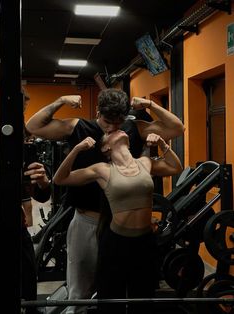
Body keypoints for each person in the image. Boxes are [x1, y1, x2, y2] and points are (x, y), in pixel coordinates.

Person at [26, 88, 185, 314]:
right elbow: (33, 127)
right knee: (80, 291)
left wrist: (150, 105)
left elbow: (177, 128)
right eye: (109, 122)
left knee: (124, 290)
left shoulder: (132, 129)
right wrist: (61, 100)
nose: (113, 128)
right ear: (98, 112)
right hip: (88, 220)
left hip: (121, 229)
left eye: (118, 122)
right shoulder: (78, 127)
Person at [53, 131, 183, 314]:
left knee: (143, 299)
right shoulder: (102, 169)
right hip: (116, 243)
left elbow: (176, 167)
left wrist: (162, 143)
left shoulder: (144, 163)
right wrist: (76, 149)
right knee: (111, 300)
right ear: (106, 147)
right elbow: (60, 179)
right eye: (110, 132)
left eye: (121, 129)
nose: (119, 129)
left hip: (145, 242)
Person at [21, 161, 51, 314]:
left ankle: (31, 309)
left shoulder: (13, 161)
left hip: (17, 230)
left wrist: (43, 183)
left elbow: (43, 196)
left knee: (28, 277)